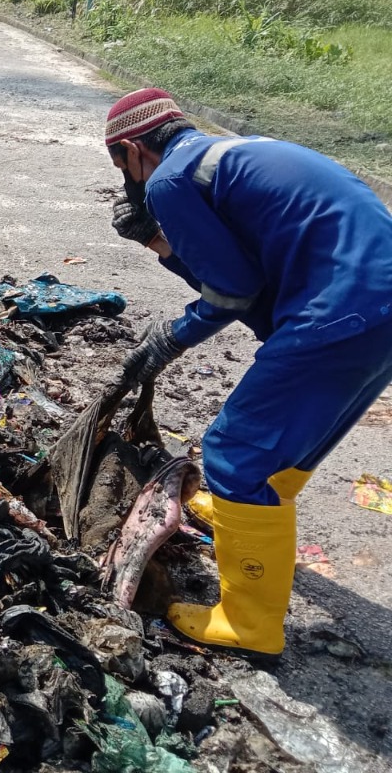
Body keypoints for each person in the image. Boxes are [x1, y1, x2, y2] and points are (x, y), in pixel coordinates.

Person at [104, 87, 392, 657]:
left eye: (121, 167)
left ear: (134, 149)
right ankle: (245, 511)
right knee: (289, 433)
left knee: (234, 451)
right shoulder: (220, 157)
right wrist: (164, 244)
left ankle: (250, 623)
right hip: (373, 302)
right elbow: (245, 285)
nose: (128, 183)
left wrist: (164, 342)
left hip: (340, 306)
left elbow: (232, 293)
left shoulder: (169, 179)